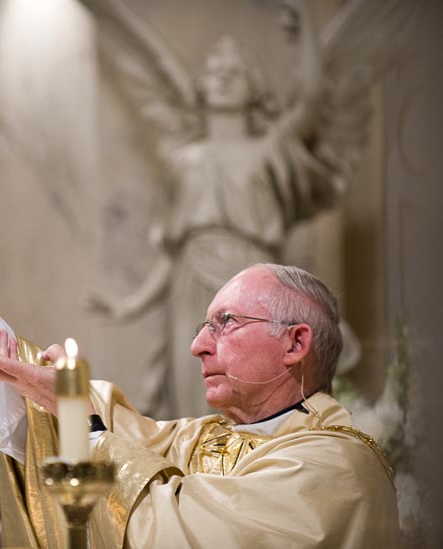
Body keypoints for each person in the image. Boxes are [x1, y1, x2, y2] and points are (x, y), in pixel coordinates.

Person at [0, 263, 401, 548]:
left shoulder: (338, 468)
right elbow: (109, 430)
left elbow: (179, 532)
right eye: (202, 326)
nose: (198, 346)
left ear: (295, 344)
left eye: (224, 323)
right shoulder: (207, 438)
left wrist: (77, 420)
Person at [80, 0, 362, 419]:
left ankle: (250, 472)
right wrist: (131, 304)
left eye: (234, 74)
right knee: (193, 391)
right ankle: (194, 479)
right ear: (201, 88)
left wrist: (305, 26)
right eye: (215, 73)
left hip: (255, 286)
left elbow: (310, 101)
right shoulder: (185, 159)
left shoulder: (271, 149)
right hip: (189, 281)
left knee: (252, 389)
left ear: (255, 88)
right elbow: (173, 250)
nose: (223, 80)